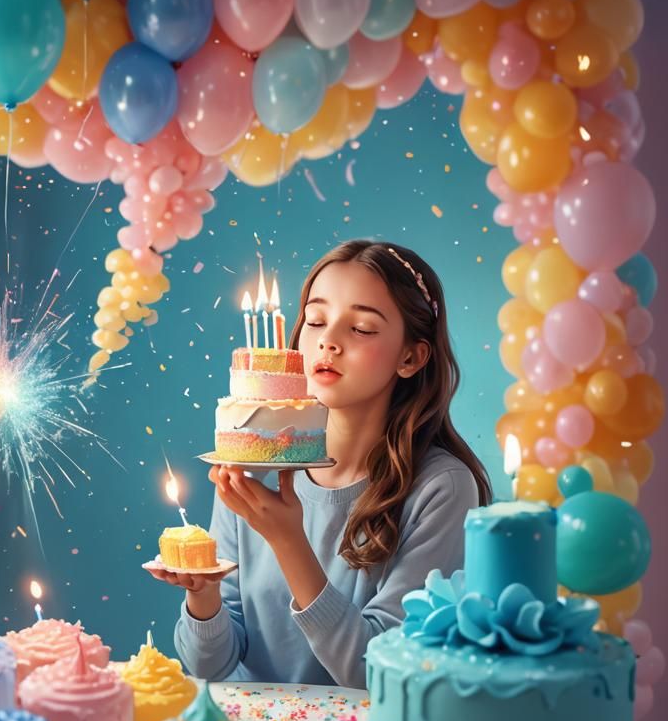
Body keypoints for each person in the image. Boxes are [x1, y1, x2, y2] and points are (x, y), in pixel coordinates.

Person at [153, 239, 492, 688]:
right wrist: (205, 594)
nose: (328, 341)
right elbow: (209, 666)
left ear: (411, 357)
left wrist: (289, 541)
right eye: (315, 320)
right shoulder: (252, 463)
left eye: (362, 329)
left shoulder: (442, 489)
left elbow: (378, 674)